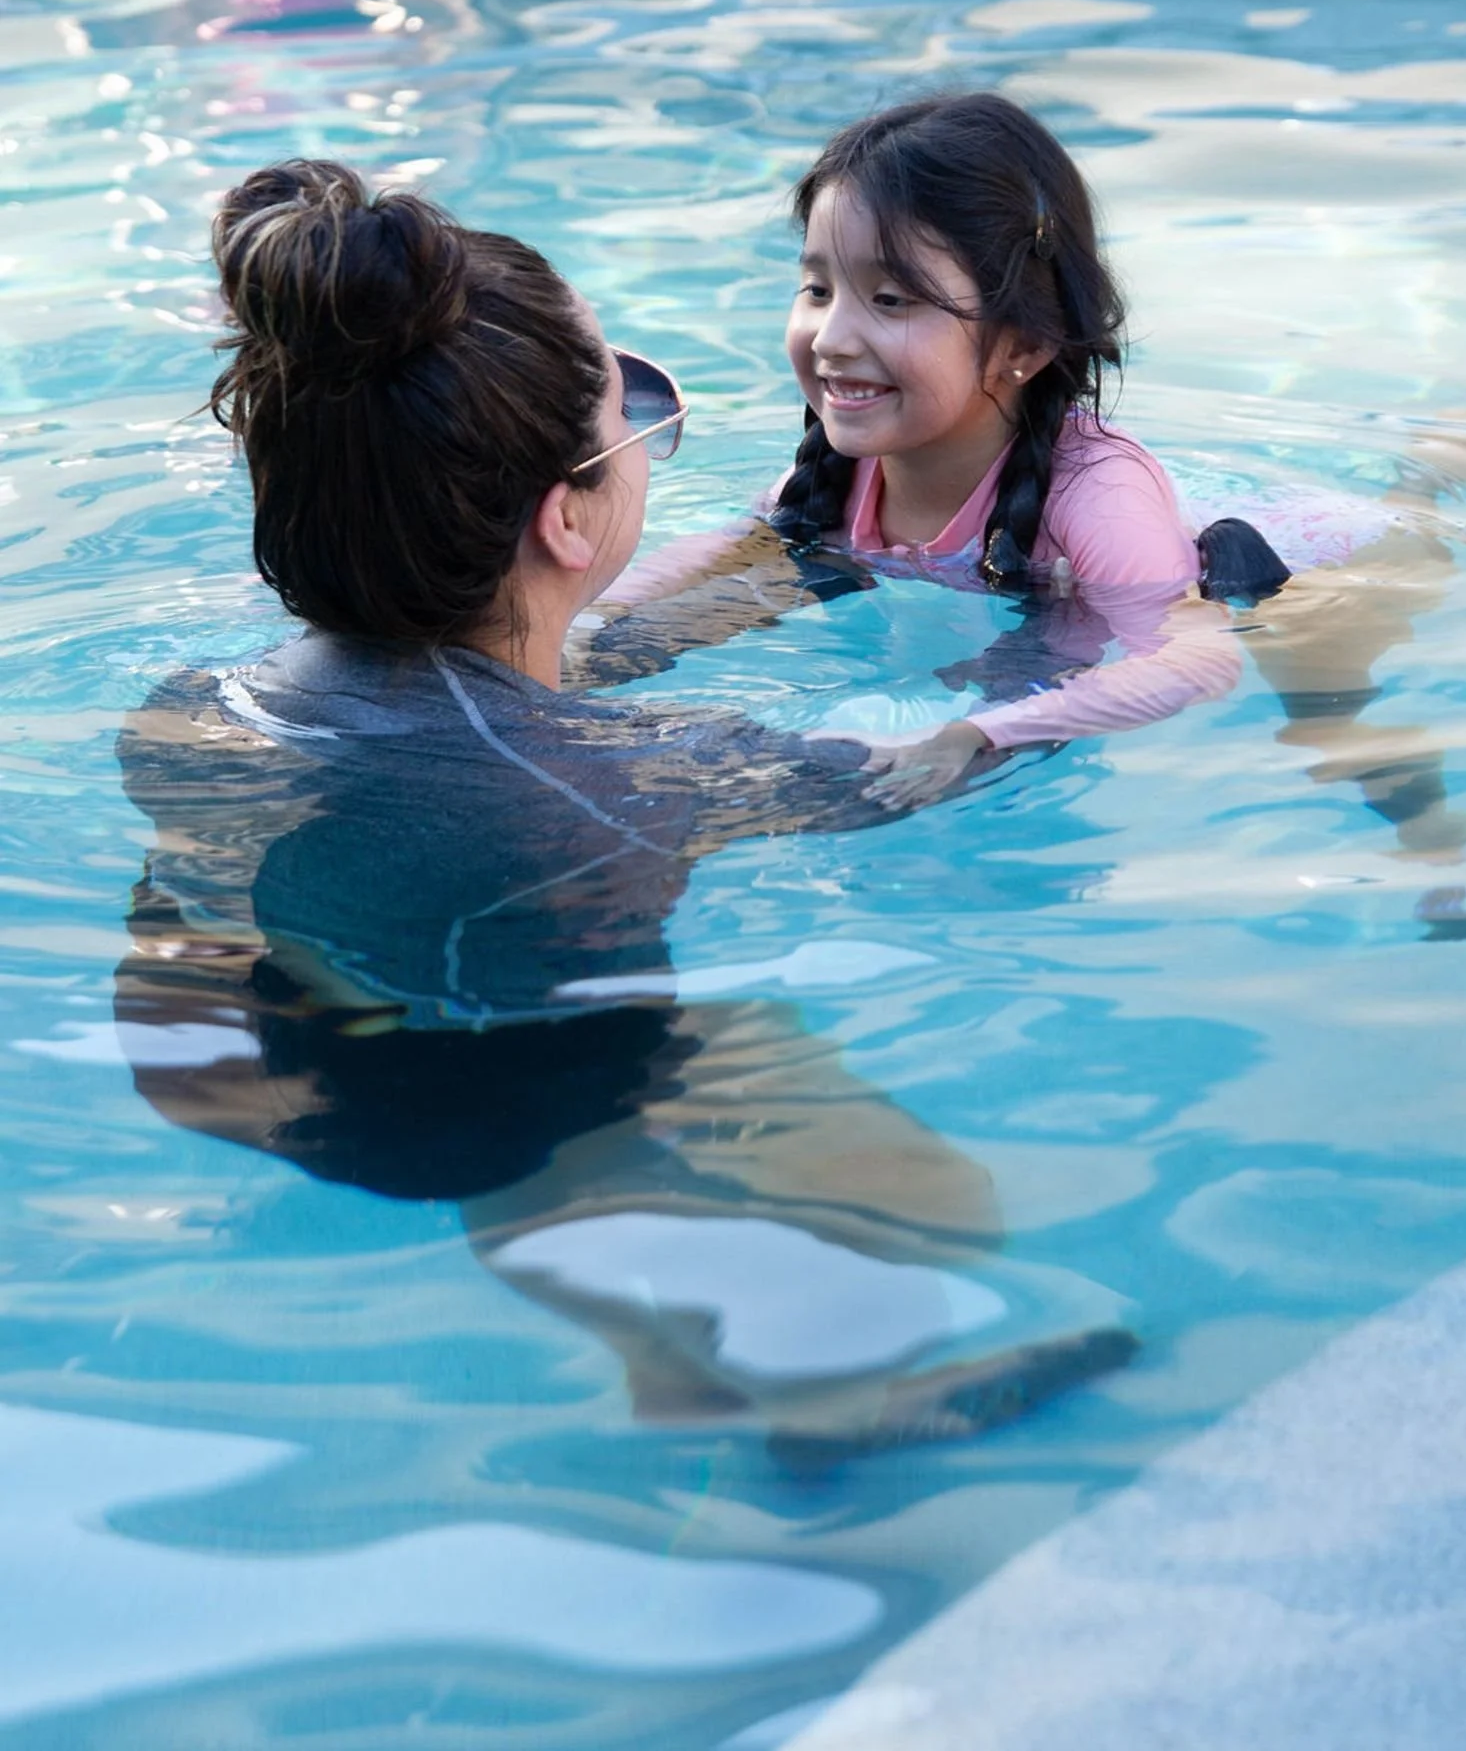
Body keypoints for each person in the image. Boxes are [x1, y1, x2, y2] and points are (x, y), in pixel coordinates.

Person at [116, 157, 1135, 1462]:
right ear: (569, 519)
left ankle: (676, 1374)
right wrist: (1066, 650)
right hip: (537, 1083)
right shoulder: (641, 774)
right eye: (636, 417)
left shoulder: (189, 706)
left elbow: (212, 917)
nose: (653, 434)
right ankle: (840, 1399)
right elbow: (916, 772)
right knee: (943, 1196)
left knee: (516, 1120)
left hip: (322, 1088)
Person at [584, 94, 1466, 911]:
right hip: (1151, 540)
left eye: (890, 298)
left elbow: (1196, 665)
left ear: (1019, 344)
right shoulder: (842, 469)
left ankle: (1442, 853)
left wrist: (979, 732)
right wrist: (583, 632)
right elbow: (722, 558)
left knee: (1334, 732)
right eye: (817, 287)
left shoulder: (1093, 494)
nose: (832, 336)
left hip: (1311, 580)